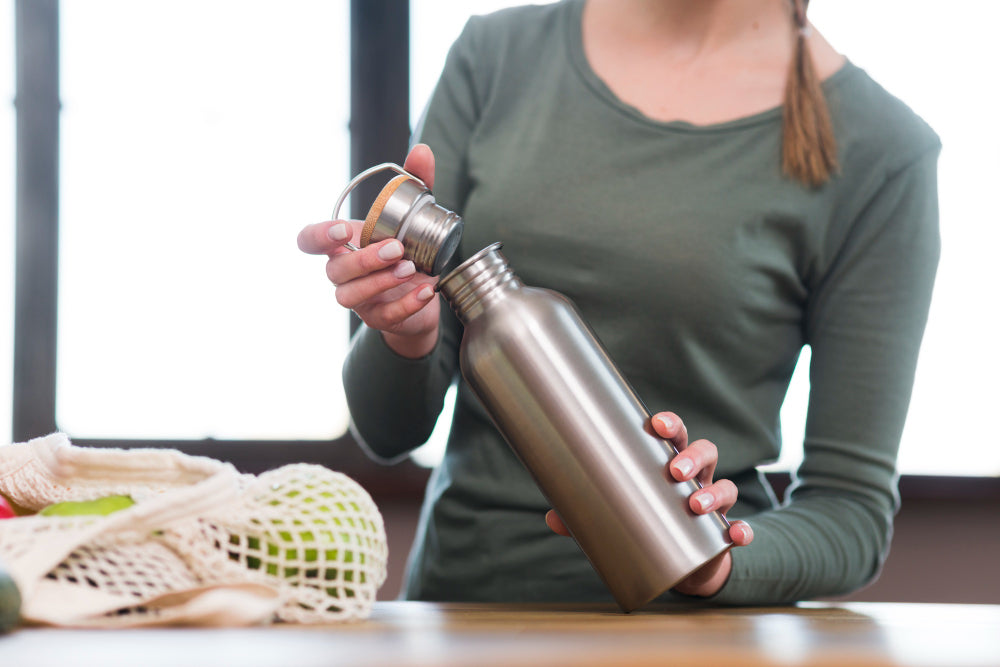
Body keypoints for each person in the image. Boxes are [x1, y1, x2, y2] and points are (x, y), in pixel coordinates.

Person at [297, 0, 939, 605]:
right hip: (467, 613)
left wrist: (708, 560)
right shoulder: (497, 56)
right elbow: (386, 432)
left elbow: (850, 514)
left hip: (696, 640)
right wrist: (405, 335)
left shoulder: (881, 149)